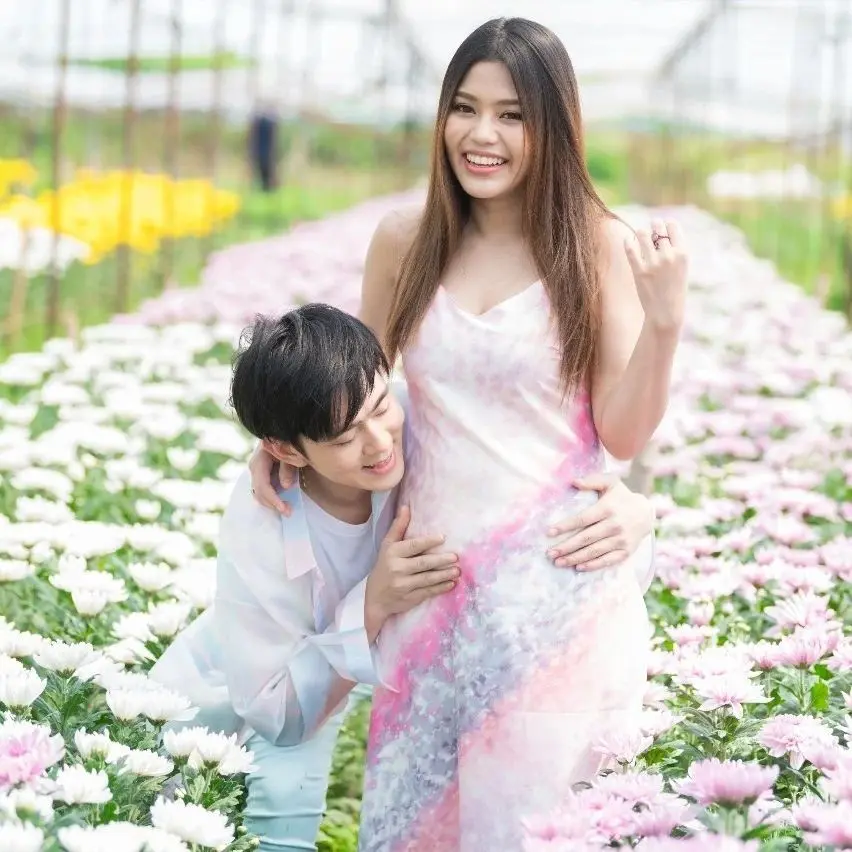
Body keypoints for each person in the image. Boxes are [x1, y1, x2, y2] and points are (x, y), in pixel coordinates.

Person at [250, 16, 688, 851]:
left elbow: (623, 433)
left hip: (552, 607)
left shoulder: (598, 247)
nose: (482, 134)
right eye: (465, 107)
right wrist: (284, 441)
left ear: (554, 125)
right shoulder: (406, 242)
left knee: (527, 833)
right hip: (429, 598)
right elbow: (356, 393)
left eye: (512, 114)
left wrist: (664, 325)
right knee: (415, 831)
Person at [151, 304, 657, 852]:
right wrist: (374, 602)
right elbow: (277, 715)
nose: (379, 443)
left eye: (380, 406)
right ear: (285, 449)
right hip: (236, 695)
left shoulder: (424, 429)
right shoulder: (263, 517)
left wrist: (634, 512)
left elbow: (535, 496)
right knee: (257, 827)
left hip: (345, 673)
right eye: (345, 438)